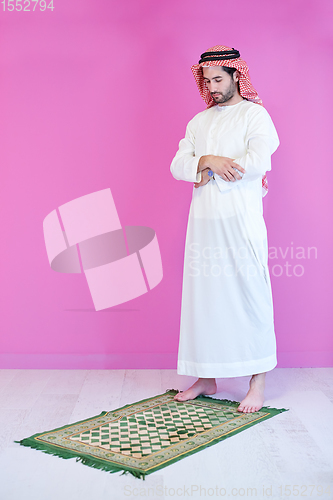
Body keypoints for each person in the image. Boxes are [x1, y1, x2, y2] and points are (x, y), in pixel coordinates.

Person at [170, 45, 280, 413]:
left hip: (242, 220)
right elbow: (178, 164)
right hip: (203, 223)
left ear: (237, 76)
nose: (212, 87)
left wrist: (210, 168)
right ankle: (206, 376)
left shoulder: (255, 115)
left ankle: (258, 382)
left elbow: (259, 159)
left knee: (251, 294)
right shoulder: (198, 123)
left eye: (218, 79)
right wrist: (205, 160)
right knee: (204, 299)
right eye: (207, 81)